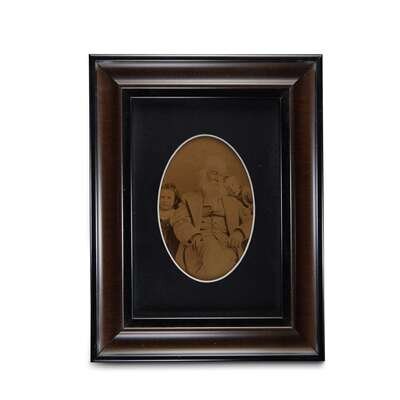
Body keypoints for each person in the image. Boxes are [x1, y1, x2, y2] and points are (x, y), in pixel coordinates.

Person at [171, 156, 252, 280]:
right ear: (204, 174)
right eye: (214, 173)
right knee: (212, 253)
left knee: (223, 260)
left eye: (221, 175)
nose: (217, 178)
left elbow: (250, 220)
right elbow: (179, 221)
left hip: (227, 245)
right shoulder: (189, 198)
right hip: (197, 247)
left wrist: (239, 233)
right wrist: (193, 235)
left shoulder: (232, 202)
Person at [159, 183, 180, 258]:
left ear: (175, 200)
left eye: (169, 198)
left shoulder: (177, 214)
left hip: (172, 247)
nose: (165, 201)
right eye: (162, 197)